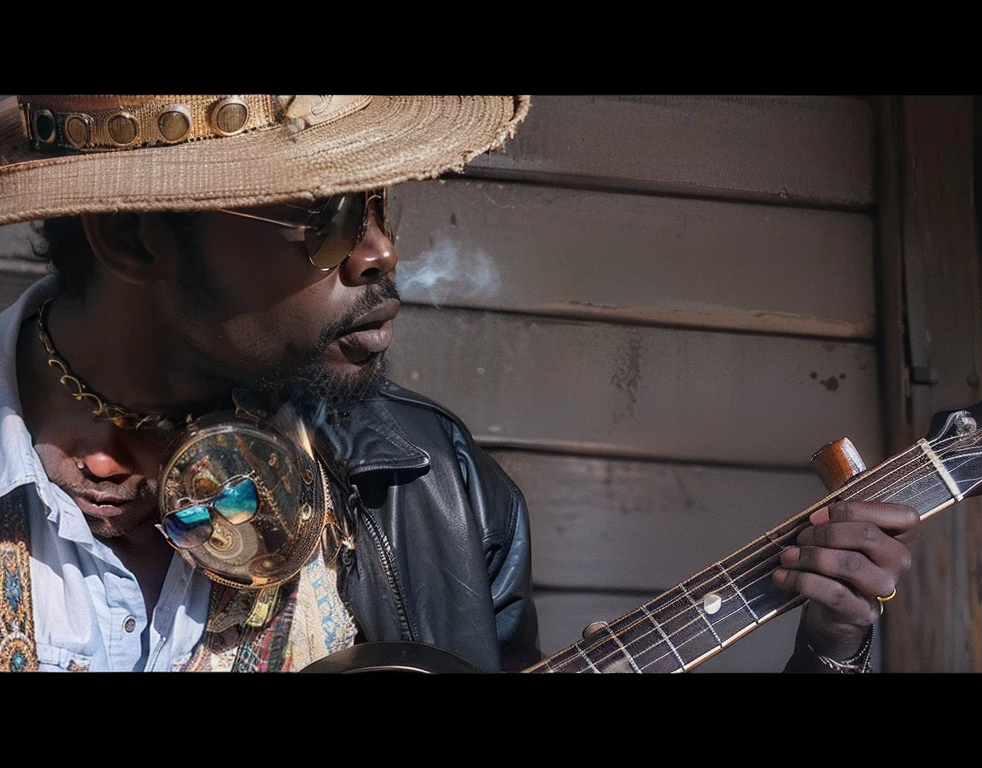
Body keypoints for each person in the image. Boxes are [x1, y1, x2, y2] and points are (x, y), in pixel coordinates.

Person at [0, 94, 920, 673]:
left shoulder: (434, 485)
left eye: (380, 200)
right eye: (320, 213)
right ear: (130, 238)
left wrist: (832, 656)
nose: (380, 250)